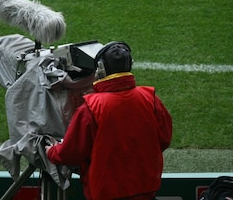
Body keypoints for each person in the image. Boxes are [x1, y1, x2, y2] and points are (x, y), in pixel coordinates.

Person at [45, 41, 173, 200]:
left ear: (101, 68)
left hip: (107, 191)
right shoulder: (151, 99)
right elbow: (165, 139)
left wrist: (52, 151)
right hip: (146, 187)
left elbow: (71, 153)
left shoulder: (91, 108)